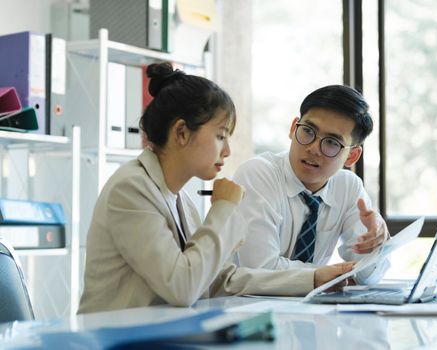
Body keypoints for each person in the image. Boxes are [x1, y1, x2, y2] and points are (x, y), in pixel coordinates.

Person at [78, 64, 355, 313]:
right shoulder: (131, 188)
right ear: (182, 132)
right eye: (221, 135)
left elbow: (221, 279)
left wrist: (313, 278)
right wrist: (222, 209)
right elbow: (182, 287)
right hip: (111, 341)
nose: (228, 150)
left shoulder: (179, 198)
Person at [230, 85, 390, 285]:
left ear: (352, 156)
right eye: (307, 131)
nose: (314, 148)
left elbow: (368, 276)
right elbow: (260, 269)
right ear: (293, 128)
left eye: (332, 142)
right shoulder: (258, 174)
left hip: (303, 309)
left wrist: (374, 246)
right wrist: (326, 274)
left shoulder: (348, 187)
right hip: (240, 306)